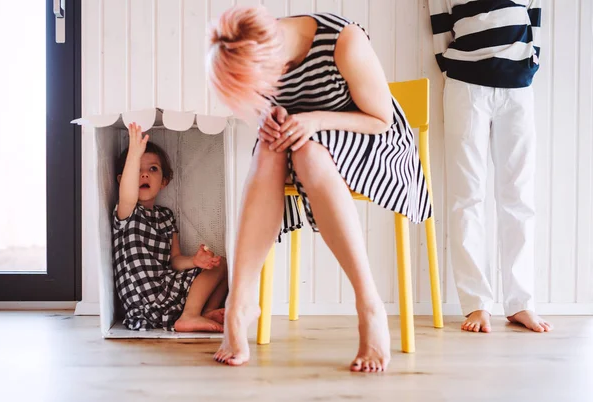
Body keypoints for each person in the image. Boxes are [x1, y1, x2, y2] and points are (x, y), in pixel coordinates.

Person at [207, 7, 431, 372]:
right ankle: (240, 301)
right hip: (299, 141)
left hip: (372, 139)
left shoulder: (344, 43)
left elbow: (381, 119)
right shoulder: (255, 54)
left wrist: (313, 120)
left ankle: (368, 303)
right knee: (269, 149)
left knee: (309, 152)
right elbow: (264, 107)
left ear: (272, 62)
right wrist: (267, 117)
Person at [428, 0, 552, 333]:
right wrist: (453, 71)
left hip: (518, 89)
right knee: (466, 196)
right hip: (465, 88)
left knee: (519, 196)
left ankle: (520, 302)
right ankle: (476, 303)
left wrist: (529, 65)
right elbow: (440, 27)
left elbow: (534, 16)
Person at [112, 122, 229, 333]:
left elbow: (175, 260)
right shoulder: (127, 212)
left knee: (221, 264)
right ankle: (190, 316)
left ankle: (203, 313)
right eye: (138, 169)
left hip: (166, 291)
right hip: (142, 297)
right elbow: (128, 193)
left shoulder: (166, 216)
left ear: (164, 181)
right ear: (123, 180)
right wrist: (133, 154)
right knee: (219, 266)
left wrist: (195, 261)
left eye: (152, 169)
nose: (144, 174)